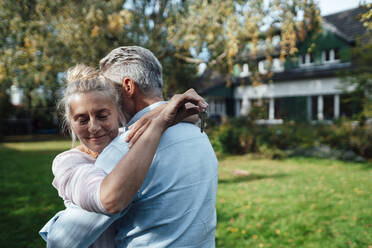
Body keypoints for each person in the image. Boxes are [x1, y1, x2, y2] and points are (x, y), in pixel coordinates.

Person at [42, 46, 218, 248]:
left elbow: (65, 239)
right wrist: (162, 110)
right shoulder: (197, 134)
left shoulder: (125, 148)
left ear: (128, 87)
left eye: (108, 87)